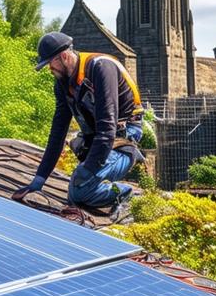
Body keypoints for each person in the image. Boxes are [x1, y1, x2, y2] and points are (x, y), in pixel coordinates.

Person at [12, 32, 144, 208]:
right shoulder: (62, 84)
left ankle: (125, 194)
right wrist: (38, 180)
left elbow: (107, 129)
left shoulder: (101, 68)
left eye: (50, 64)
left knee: (78, 190)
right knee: (77, 192)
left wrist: (86, 170)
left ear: (64, 56)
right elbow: (58, 132)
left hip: (123, 139)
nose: (50, 70)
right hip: (99, 138)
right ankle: (90, 184)